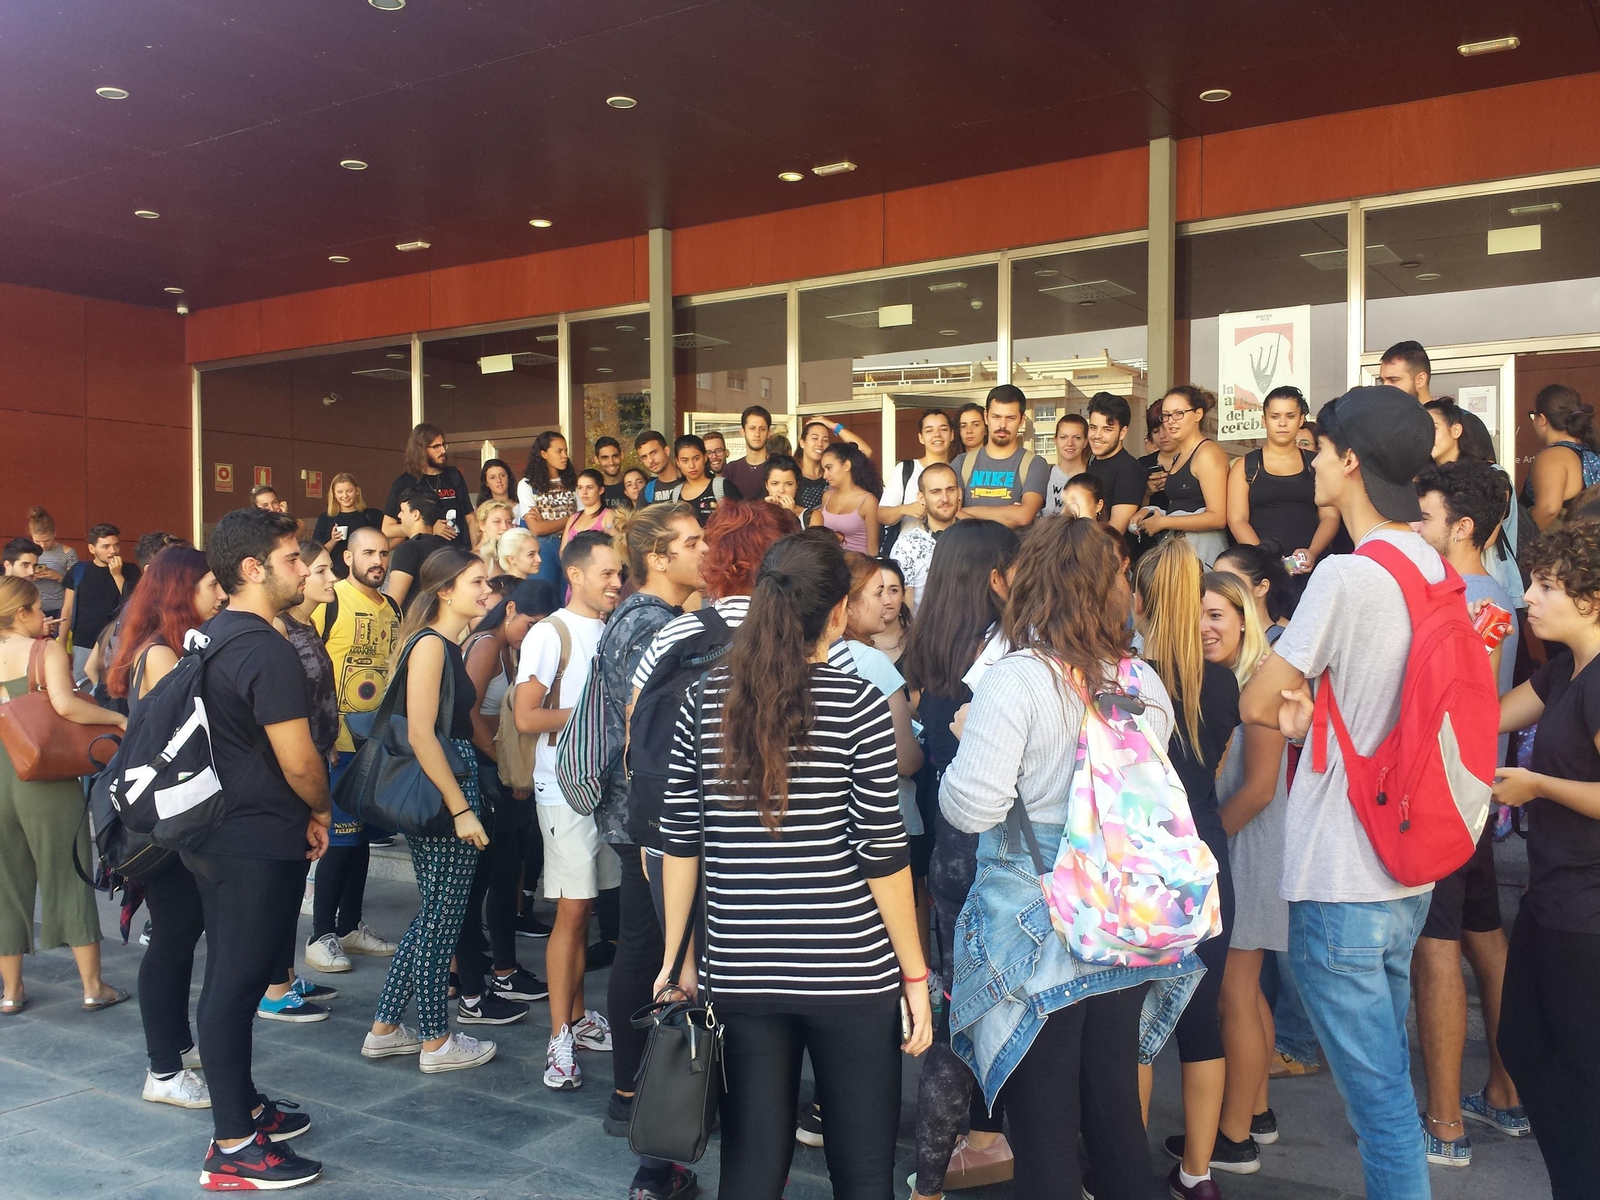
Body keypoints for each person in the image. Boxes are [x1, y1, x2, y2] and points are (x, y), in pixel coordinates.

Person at [654, 533, 932, 1199]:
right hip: (850, 971)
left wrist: (675, 961)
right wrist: (915, 975)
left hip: (743, 968)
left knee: (750, 1169)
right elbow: (882, 852)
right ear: (839, 611)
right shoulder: (859, 703)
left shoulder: (706, 699)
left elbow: (679, 839)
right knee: (864, 1173)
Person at [940, 517, 1201, 1200]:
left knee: (1045, 1124)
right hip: (1123, 913)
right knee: (1113, 1106)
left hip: (1039, 919)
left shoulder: (1017, 679)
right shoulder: (1141, 679)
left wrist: (964, 741)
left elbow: (971, 809)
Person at [1238, 385, 1441, 1200]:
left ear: (1349, 462)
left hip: (1344, 871)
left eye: (1321, 450)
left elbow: (1257, 699)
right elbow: (1385, 697)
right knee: (1385, 1082)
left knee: (1382, 1105)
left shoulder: (1348, 577)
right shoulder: (1428, 561)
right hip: (1408, 863)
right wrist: (1313, 714)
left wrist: (1288, 695)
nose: (1313, 461)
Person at [186, 507, 331, 1189]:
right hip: (250, 836)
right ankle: (232, 1145)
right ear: (253, 569)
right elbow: (299, 760)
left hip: (222, 830)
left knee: (230, 977)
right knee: (237, 980)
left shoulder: (215, 634)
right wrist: (322, 807)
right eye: (293, 558)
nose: (302, 568)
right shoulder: (265, 646)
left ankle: (240, 1106)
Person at [579, 503, 704, 1200]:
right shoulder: (651, 624)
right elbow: (645, 724)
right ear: (657, 556)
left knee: (645, 944)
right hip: (647, 812)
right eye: (689, 542)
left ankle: (634, 1088)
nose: (703, 550)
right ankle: (634, 1088)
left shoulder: (638, 616)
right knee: (648, 947)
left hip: (642, 809)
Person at [901, 520, 1022, 1199]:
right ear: (995, 574)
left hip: (949, 851)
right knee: (995, 1007)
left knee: (959, 1000)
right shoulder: (1005, 652)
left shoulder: (934, 646)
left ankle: (955, 1155)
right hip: (997, 850)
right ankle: (959, 1153)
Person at [1410, 461, 1526, 1166]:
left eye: (1425, 517)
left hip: (1451, 799)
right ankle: (1505, 1093)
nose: (1416, 529)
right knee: (1483, 937)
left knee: (1438, 949)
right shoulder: (1497, 593)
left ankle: (1446, 1122)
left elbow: (1461, 706)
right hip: (1476, 794)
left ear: (1462, 527)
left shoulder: (1468, 599)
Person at [1133, 538, 1246, 1192]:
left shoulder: (1123, 681)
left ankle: (1122, 1164)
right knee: (1201, 1021)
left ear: (1141, 602)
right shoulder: (1225, 680)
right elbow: (1219, 768)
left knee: (1134, 1022)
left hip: (1140, 860)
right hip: (1205, 856)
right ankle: (1197, 1173)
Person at [1493, 521, 1600, 1200]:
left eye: (1547, 586)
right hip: (1553, 893)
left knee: (1574, 1067)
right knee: (1527, 1044)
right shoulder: (1563, 668)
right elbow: (1491, 716)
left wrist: (1536, 786)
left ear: (1591, 599)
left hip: (1587, 909)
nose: (1529, 596)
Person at [361, 548, 497, 1076]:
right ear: (445, 590)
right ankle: (436, 1040)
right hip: (444, 788)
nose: (487, 592)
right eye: (477, 583)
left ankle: (386, 1027)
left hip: (445, 784)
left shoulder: (442, 644)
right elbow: (421, 733)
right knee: (443, 914)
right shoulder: (432, 646)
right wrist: (462, 808)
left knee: (436, 912)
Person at [105, 549, 225, 1107]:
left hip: (172, 817)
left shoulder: (163, 649)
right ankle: (162, 1070)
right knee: (174, 937)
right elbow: (176, 744)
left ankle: (174, 1046)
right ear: (182, 592)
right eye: (208, 586)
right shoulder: (159, 656)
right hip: (167, 820)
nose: (218, 596)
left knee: (179, 933)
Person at [513, 531, 624, 1090]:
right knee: (575, 909)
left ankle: (578, 1018)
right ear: (575, 574)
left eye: (619, 573)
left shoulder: (610, 629)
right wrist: (599, 722)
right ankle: (559, 1035)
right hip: (562, 785)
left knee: (586, 909)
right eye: (606, 572)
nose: (616, 582)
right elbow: (526, 717)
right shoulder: (549, 633)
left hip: (602, 786)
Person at [0, 577, 129, 1018]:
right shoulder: (44, 650)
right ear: (21, 613)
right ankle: (93, 986)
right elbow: (67, 706)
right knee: (67, 875)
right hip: (43, 780)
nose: (47, 616)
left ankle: (12, 991)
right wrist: (116, 718)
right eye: (38, 609)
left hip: (0, 777)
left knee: (5, 882)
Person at [1203, 571, 1291, 1180]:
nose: (1206, 627)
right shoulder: (1231, 679)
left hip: (1249, 847)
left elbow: (1260, 789)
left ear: (1244, 619)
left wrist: (1204, 849)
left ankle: (1234, 1139)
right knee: (1249, 987)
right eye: (1198, 615)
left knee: (1237, 988)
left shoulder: (1259, 683)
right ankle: (1255, 1111)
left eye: (1217, 615)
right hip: (1242, 843)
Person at [251, 541, 345, 1022]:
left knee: (292, 883)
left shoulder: (309, 624)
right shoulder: (278, 629)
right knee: (283, 881)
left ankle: (282, 974)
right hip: (290, 771)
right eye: (321, 569)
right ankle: (272, 987)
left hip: (313, 756)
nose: (330, 578)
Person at [459, 576, 559, 1016]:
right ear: (511, 609)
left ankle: (501, 968)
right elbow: (468, 715)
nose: (535, 632)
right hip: (486, 773)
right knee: (488, 877)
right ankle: (477, 980)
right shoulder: (485, 645)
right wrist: (504, 764)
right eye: (531, 623)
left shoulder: (511, 648)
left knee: (507, 874)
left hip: (503, 771)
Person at [307, 526, 401, 974]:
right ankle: (320, 934)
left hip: (373, 746)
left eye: (383, 553)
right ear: (349, 556)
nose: (377, 560)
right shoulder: (332, 601)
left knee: (359, 841)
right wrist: (318, 736)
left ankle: (349, 926)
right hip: (336, 746)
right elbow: (307, 671)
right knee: (339, 843)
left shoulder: (393, 608)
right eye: (368, 552)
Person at [1226, 386, 1340, 577]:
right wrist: (1265, 559)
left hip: (1312, 568)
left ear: (1301, 420)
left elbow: (1330, 516)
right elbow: (1237, 519)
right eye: (1274, 416)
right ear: (1264, 420)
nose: (1282, 423)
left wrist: (1312, 551)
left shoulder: (1317, 463)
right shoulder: (1245, 466)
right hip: (1262, 572)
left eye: (1290, 416)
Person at [1135, 386, 1230, 567]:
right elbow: (1183, 507)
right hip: (1184, 555)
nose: (1170, 421)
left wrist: (1163, 522)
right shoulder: (1182, 454)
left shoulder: (1207, 453)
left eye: (1179, 413)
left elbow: (1218, 517)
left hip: (1205, 555)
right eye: (1166, 415)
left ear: (1198, 414)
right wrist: (1149, 512)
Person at [952, 385, 1048, 529]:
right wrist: (1009, 513)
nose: (1002, 425)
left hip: (1015, 551)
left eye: (1010, 418)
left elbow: (1023, 516)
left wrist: (967, 511)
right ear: (986, 417)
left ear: (1021, 420)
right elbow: (951, 514)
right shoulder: (962, 463)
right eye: (996, 417)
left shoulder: (1034, 464)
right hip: (969, 550)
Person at [60, 522, 139, 676]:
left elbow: (133, 602)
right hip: (84, 641)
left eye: (116, 545)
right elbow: (67, 609)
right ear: (92, 549)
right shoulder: (78, 571)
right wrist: (62, 642)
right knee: (84, 687)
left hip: (117, 641)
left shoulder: (130, 570)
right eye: (106, 546)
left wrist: (117, 575)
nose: (113, 551)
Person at [383, 423, 475, 548]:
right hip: (425, 557)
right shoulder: (404, 482)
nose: (442, 450)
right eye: (436, 446)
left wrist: (475, 551)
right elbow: (387, 529)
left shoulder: (454, 475)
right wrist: (428, 528)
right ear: (421, 449)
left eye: (443, 445)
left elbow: (470, 517)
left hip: (458, 554)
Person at [1522, 383, 1600, 531]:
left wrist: (1521, 541)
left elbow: (1548, 510)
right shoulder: (1591, 452)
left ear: (1542, 419)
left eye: (1534, 416)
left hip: (1566, 549)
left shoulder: (1552, 456)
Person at [890, 460, 962, 611]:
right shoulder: (906, 546)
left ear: (959, 493)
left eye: (950, 489)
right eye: (935, 491)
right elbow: (904, 604)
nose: (945, 498)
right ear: (921, 498)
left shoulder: (977, 538)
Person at [879, 408, 956, 541]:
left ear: (952, 434)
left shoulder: (959, 470)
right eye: (929, 430)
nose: (937, 435)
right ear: (921, 437)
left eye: (943, 429)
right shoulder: (906, 469)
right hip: (909, 555)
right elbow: (882, 515)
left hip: (952, 551)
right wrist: (906, 509)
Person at [519, 430, 579, 587]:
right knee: (544, 595)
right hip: (543, 549)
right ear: (544, 454)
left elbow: (582, 521)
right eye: (559, 451)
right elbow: (537, 528)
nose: (564, 455)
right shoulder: (527, 485)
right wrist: (570, 519)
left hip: (572, 546)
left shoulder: (574, 482)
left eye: (565, 451)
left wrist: (550, 524)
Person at [1084, 392, 1149, 534]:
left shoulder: (1129, 469)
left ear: (1122, 432)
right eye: (1093, 427)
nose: (1097, 436)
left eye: (1107, 429)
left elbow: (1116, 532)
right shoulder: (1092, 462)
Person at [383, 489, 451, 609]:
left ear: (415, 514)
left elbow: (394, 603)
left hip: (413, 623)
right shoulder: (448, 548)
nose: (399, 515)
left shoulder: (407, 549)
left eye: (402, 511)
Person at [1214, 543, 1295, 644]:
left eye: (1230, 581)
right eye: (1215, 580)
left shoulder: (1285, 644)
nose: (1217, 588)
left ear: (1262, 588)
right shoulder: (1212, 637)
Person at [809, 443, 882, 554]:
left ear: (847, 465)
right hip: (831, 565)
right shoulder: (827, 496)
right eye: (824, 469)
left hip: (859, 567)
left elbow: (873, 550)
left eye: (829, 468)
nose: (825, 475)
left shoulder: (868, 501)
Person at [312, 473, 385, 580]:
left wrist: (380, 552)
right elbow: (315, 553)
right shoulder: (325, 518)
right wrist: (333, 540)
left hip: (364, 575)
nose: (345, 496)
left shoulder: (371, 515)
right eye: (339, 492)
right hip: (334, 577)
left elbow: (398, 533)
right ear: (334, 494)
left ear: (357, 491)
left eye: (349, 491)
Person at [664, 434, 742, 525]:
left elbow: (741, 521)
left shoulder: (722, 487)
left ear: (705, 457)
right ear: (677, 462)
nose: (691, 465)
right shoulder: (675, 496)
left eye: (696, 458)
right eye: (685, 461)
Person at [25, 507, 74, 636]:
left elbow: (75, 585)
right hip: (32, 607)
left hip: (59, 607)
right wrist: (29, 577)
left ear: (54, 533)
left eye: (46, 540)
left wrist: (58, 577)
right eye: (37, 541)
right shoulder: (27, 553)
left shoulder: (67, 553)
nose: (42, 546)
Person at [721, 404, 773, 499]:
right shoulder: (731, 470)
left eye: (762, 429)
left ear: (769, 433)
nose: (757, 434)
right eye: (752, 428)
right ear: (743, 432)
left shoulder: (778, 466)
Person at [1046, 413, 1091, 515]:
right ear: (1055, 440)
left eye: (1077, 438)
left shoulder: (1093, 477)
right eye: (1063, 437)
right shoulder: (1045, 475)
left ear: (1085, 442)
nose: (1070, 443)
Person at [562, 469, 616, 547]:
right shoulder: (573, 518)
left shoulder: (609, 516)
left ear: (600, 490)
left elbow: (616, 550)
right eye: (580, 487)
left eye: (589, 487)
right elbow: (562, 551)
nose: (584, 492)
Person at [874, 560, 911, 665]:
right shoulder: (852, 644)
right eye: (879, 592)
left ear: (903, 595)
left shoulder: (920, 642)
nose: (887, 601)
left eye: (893, 590)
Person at [758, 454, 806, 531]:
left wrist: (790, 515)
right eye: (775, 484)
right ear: (767, 485)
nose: (781, 490)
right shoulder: (757, 514)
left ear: (796, 485)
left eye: (789, 484)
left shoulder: (811, 516)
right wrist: (765, 509)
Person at [634, 430, 681, 503]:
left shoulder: (690, 481)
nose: (650, 460)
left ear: (666, 451)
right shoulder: (646, 493)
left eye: (653, 452)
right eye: (644, 457)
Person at [796, 420, 832, 510]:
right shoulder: (790, 473)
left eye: (825, 440)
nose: (820, 444)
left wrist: (833, 426)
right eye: (815, 438)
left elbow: (866, 451)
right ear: (802, 443)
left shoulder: (831, 474)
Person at [474, 498, 516, 566]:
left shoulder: (511, 554)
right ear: (482, 525)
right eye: (497, 522)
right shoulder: (473, 559)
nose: (504, 527)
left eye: (508, 522)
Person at [590, 439, 626, 507]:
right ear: (596, 460)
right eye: (605, 458)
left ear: (621, 456)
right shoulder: (593, 490)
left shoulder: (632, 486)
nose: (611, 462)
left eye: (615, 456)